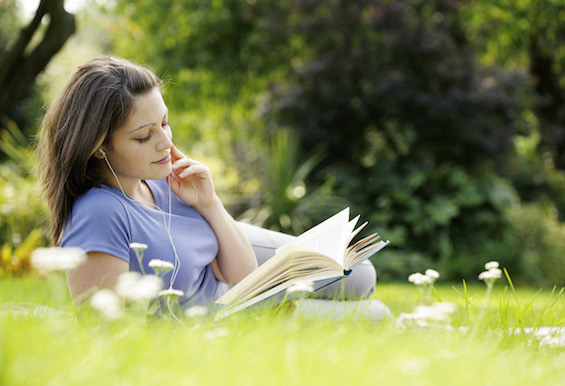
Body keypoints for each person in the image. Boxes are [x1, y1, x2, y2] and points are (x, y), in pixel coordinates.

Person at [37, 56, 378, 313]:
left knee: (361, 272)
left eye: (165, 124)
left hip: (235, 280)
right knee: (375, 314)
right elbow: (102, 327)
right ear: (97, 145)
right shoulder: (100, 213)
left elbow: (244, 274)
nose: (165, 144)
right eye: (143, 137)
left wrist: (209, 203)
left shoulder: (166, 182)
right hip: (224, 313)